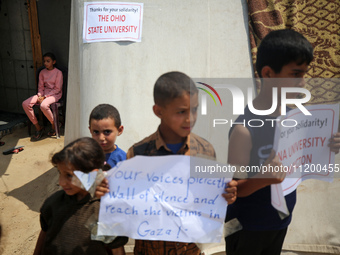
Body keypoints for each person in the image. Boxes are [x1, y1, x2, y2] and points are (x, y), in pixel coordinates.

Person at [225, 29, 340, 255]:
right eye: (296, 74)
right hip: (246, 228)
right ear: (268, 73)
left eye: (305, 73)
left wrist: (328, 147)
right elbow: (232, 192)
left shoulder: (295, 118)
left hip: (280, 221)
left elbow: (301, 161)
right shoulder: (244, 130)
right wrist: (262, 180)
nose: (303, 82)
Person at [97, 71, 237, 255]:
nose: (190, 118)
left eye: (194, 109)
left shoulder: (204, 151)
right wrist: (106, 194)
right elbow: (127, 205)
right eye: (181, 112)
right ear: (158, 111)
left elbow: (207, 202)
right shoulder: (139, 154)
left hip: (190, 250)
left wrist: (227, 196)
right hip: (150, 250)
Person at [33, 137, 128, 255]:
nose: (61, 182)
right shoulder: (54, 203)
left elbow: (117, 250)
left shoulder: (99, 211)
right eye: (60, 173)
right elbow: (45, 232)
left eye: (69, 175)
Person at [22, 52, 63, 140]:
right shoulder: (42, 72)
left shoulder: (58, 73)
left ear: (54, 62)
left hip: (54, 95)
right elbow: (40, 87)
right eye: (44, 61)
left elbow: (58, 89)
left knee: (43, 105)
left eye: (48, 61)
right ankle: (38, 127)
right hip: (43, 94)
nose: (45, 63)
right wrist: (40, 95)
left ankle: (54, 124)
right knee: (25, 104)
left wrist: (45, 97)